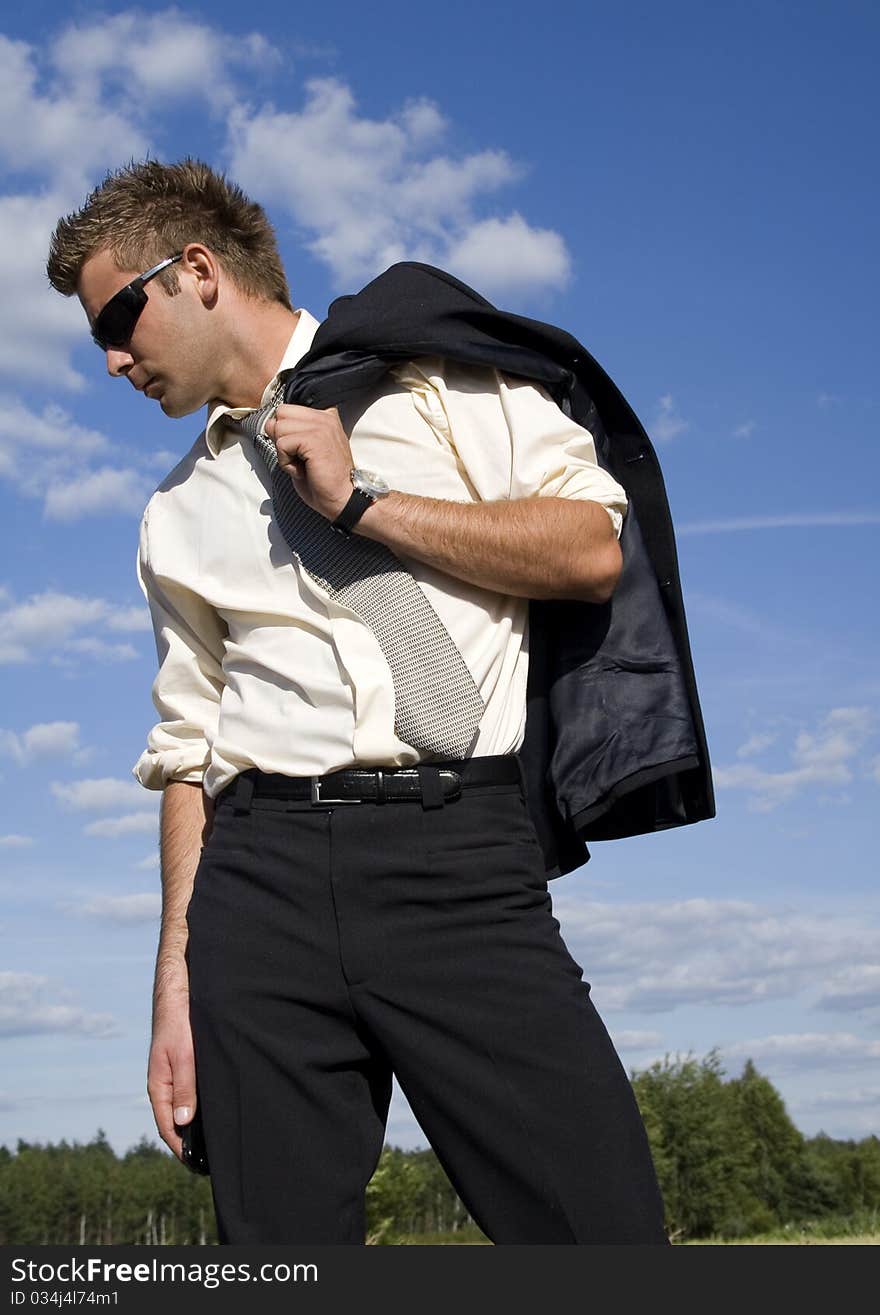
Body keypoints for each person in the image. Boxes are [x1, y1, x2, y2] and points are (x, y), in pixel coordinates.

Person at [47, 158, 671, 1245]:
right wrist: (173, 987)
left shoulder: (434, 378)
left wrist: (364, 500)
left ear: (195, 270)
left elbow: (592, 549)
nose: (110, 358)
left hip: (457, 863)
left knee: (600, 1236)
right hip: (257, 889)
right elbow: (190, 752)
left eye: (115, 315)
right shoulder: (173, 514)